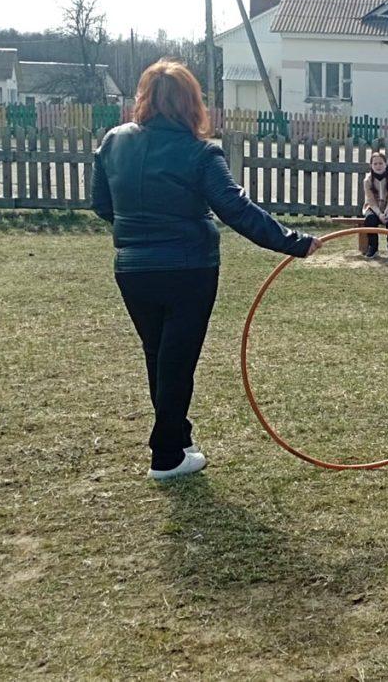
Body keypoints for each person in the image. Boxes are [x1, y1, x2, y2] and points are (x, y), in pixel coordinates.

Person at [90, 59, 321, 480]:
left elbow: (102, 205)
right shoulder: (200, 152)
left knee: (160, 356)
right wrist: (295, 242)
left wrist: (139, 232)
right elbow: (236, 209)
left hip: (132, 269)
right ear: (191, 104)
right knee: (176, 361)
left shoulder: (113, 141)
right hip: (188, 270)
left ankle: (178, 439)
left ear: (144, 98)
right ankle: (166, 456)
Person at [361, 151, 388, 258]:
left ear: (386, 164)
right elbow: (371, 200)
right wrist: (379, 214)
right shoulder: (367, 180)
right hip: (373, 208)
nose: (378, 166)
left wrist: (387, 211)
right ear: (371, 165)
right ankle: (373, 247)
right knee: (370, 219)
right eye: (375, 164)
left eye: (381, 163)